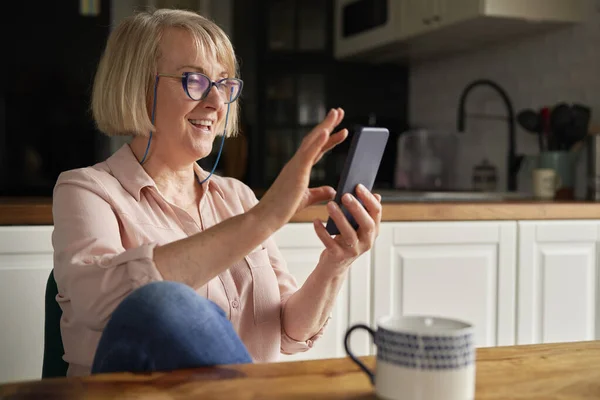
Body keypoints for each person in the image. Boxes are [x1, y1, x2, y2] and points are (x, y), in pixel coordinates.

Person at [51, 8, 382, 377]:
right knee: (164, 300)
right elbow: (96, 304)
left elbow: (290, 331)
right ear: (137, 86)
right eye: (194, 80)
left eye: (224, 84)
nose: (216, 102)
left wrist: (336, 262)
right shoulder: (85, 189)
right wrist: (263, 219)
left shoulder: (237, 196)